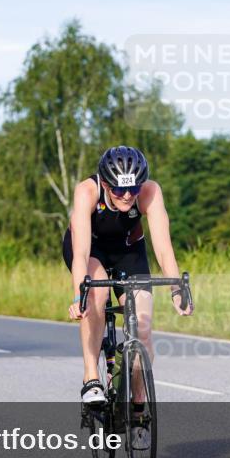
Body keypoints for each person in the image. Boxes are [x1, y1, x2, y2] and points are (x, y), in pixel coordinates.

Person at [63, 146, 193, 409]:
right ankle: (92, 379)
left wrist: (176, 289)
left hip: (129, 250)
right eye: (119, 190)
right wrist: (80, 296)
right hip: (92, 249)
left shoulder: (150, 191)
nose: (126, 195)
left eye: (132, 189)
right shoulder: (87, 191)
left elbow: (163, 248)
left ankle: (137, 404)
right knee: (96, 295)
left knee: (143, 327)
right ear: (106, 183)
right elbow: (81, 253)